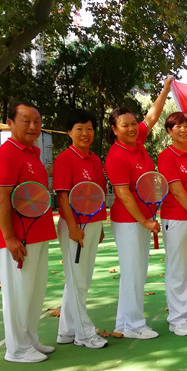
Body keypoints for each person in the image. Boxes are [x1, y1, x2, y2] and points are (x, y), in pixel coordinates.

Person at [105, 76, 174, 339]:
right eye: (125, 126)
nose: (133, 128)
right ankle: (135, 325)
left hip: (143, 218)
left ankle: (123, 324)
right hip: (128, 221)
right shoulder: (116, 155)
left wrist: (165, 90)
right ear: (115, 129)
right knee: (133, 273)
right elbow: (123, 194)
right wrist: (144, 221)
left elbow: (152, 116)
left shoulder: (138, 142)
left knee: (134, 272)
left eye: (134, 123)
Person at [0, 103, 57, 363]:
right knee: (18, 294)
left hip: (38, 234)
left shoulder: (31, 153)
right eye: (26, 120)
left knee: (34, 292)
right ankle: (17, 349)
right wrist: (9, 238)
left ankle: (30, 339)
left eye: (37, 121)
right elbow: (1, 199)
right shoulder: (7, 154)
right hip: (19, 238)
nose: (33, 126)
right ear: (10, 123)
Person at [53, 109, 109, 349]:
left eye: (89, 129)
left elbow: (97, 195)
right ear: (69, 132)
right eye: (79, 129)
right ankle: (84, 334)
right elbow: (62, 197)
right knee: (78, 281)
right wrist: (73, 227)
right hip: (74, 227)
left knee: (80, 279)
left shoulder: (95, 159)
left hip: (93, 224)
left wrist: (100, 225)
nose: (85, 133)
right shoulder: (65, 159)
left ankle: (66, 331)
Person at [157, 112, 187, 336]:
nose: (183, 130)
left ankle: (184, 312)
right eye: (178, 126)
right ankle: (176, 319)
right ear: (169, 131)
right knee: (176, 269)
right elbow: (176, 190)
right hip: (176, 218)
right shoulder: (166, 156)